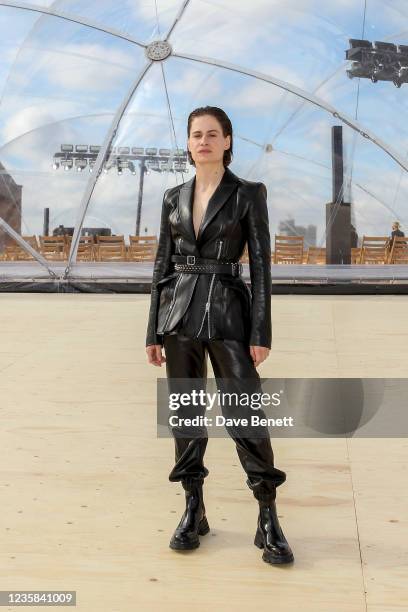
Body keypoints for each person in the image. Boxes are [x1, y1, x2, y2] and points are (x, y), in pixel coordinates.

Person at [145, 106, 294, 565]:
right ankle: (193, 508)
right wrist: (153, 327)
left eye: (212, 134)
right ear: (188, 143)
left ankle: (268, 515)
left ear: (228, 141)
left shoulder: (249, 193)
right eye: (196, 134)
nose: (204, 141)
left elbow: (263, 268)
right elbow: (161, 267)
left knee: (245, 414)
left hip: (230, 312)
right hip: (179, 316)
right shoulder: (173, 196)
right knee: (186, 415)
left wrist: (261, 329)